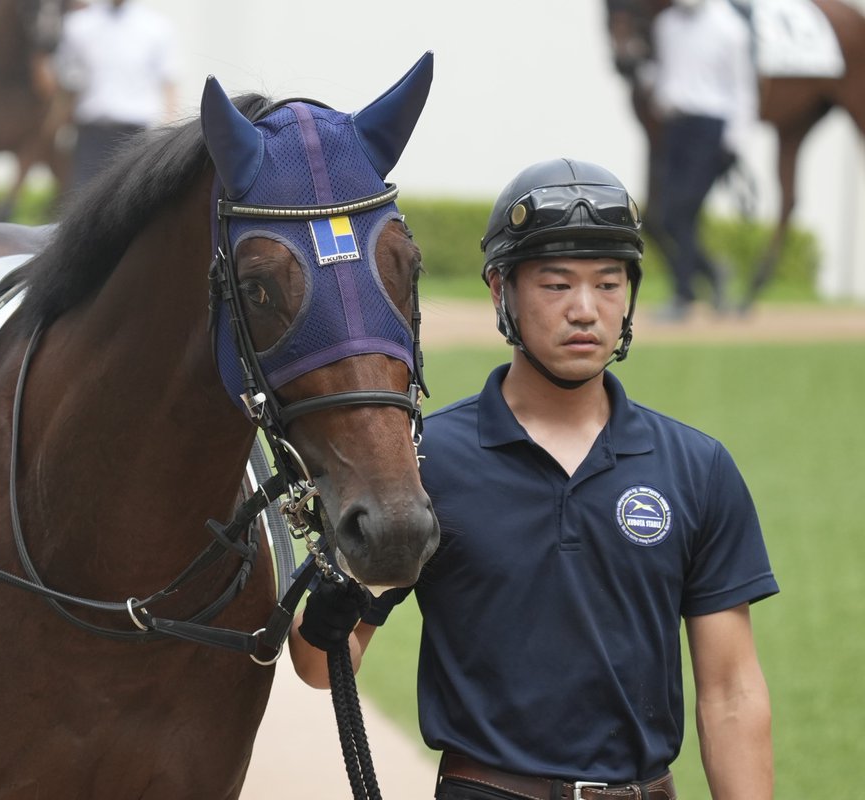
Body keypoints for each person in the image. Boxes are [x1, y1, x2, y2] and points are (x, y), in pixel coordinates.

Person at [289, 159, 778, 799]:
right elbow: (323, 666)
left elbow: (732, 692)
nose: (585, 310)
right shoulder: (422, 461)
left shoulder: (696, 466)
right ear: (501, 292)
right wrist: (329, 606)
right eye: (555, 285)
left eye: (608, 284)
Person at [650, 0, 757, 320]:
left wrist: (736, 140)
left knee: (682, 210)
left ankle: (685, 294)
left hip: (711, 129)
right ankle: (712, 273)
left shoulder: (730, 26)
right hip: (675, 126)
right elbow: (667, 73)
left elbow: (743, 87)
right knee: (669, 215)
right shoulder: (666, 24)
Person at [54, 0, 179, 191]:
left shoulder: (155, 26)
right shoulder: (78, 25)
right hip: (91, 131)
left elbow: (168, 79)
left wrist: (168, 126)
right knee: (84, 196)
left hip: (135, 133)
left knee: (130, 198)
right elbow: (66, 80)